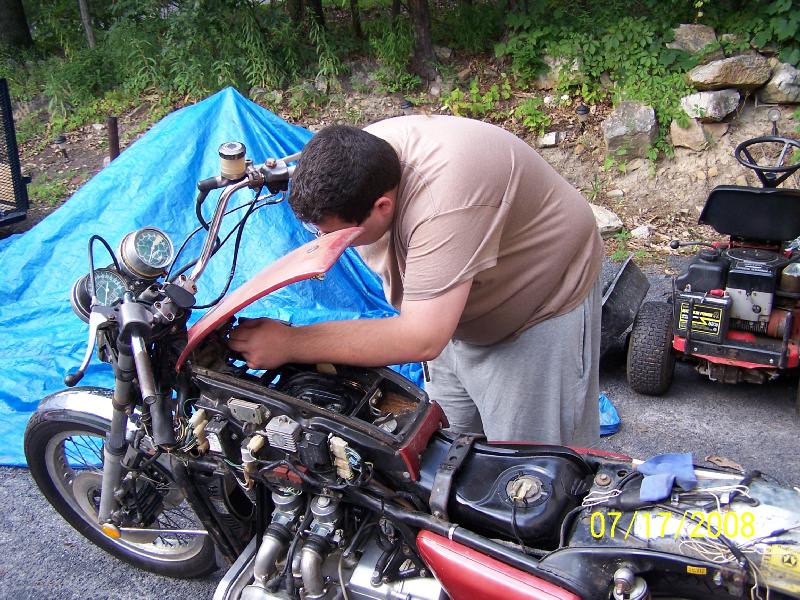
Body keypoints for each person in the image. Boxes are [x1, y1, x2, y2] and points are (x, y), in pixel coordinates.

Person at [228, 115, 603, 446]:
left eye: (334, 235)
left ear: (382, 206)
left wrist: (291, 343)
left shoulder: (445, 202)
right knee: (445, 447)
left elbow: (422, 337)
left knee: (531, 473)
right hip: (455, 308)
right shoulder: (358, 162)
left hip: (535, 306)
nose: (325, 245)